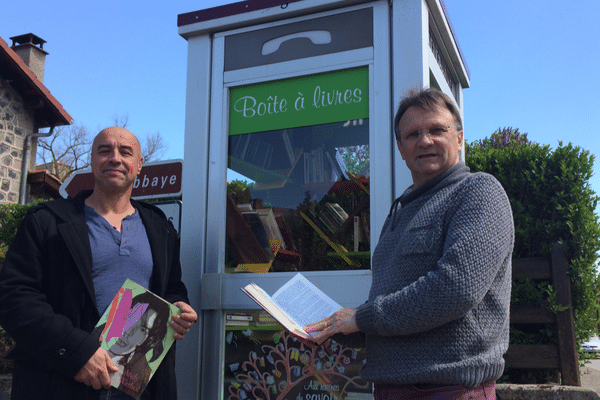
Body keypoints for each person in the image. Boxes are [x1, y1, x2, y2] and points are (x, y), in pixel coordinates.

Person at [304, 88, 514, 399]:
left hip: (449, 390)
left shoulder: (478, 191)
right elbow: (397, 311)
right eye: (412, 134)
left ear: (459, 139)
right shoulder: (399, 210)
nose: (424, 140)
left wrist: (360, 318)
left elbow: (457, 288)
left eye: (436, 130)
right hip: (389, 389)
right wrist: (338, 329)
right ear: (401, 149)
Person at [0, 126, 197, 400]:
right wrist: (78, 352)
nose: (115, 158)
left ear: (139, 165)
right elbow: (15, 298)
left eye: (125, 152)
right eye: (104, 151)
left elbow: (172, 287)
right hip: (62, 381)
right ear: (93, 160)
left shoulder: (160, 227)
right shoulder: (47, 222)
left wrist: (178, 306)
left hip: (138, 385)